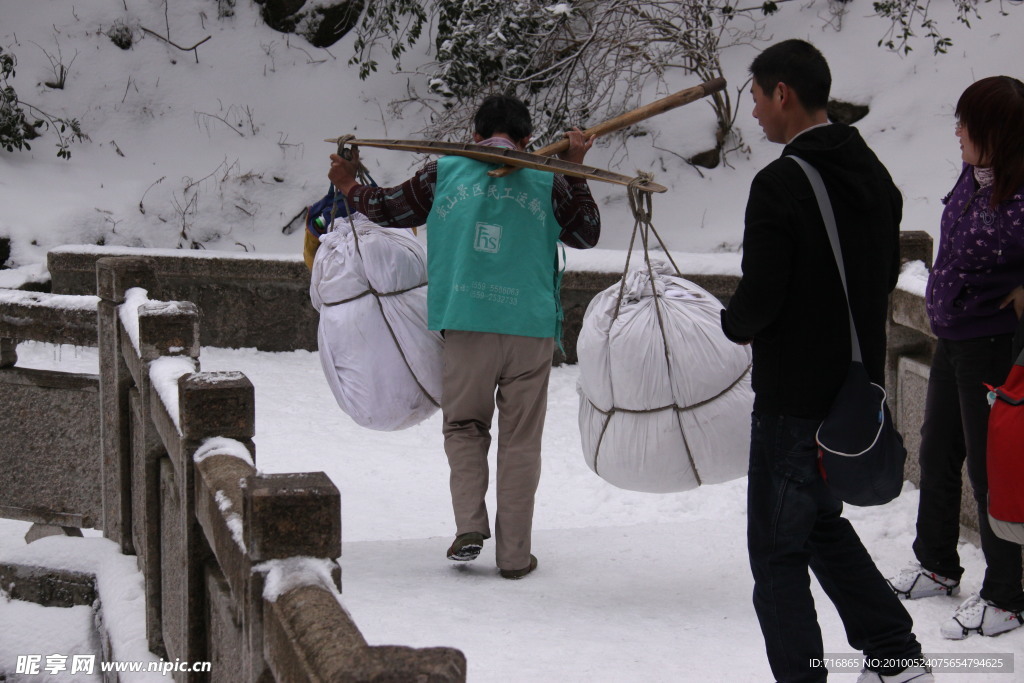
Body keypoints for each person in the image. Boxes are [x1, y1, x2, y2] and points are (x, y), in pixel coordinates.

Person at [720, 40, 930, 683]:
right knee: (816, 526)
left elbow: (760, 299)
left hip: (792, 401)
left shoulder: (780, 183)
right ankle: (895, 653)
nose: (753, 112)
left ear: (782, 92)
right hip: (852, 394)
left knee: (777, 554)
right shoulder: (874, 174)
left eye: (756, 96)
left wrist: (730, 323)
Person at [327, 95, 600, 579]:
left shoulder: (444, 172)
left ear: (475, 135)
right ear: (527, 139)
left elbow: (389, 209)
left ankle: (470, 527)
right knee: (520, 441)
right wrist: (575, 168)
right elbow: (585, 233)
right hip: (529, 329)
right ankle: (515, 556)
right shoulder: (547, 176)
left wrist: (349, 185)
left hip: (467, 320)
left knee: (465, 426)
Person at [885, 76, 1024, 639]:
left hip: (993, 346)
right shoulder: (975, 176)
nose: (958, 132)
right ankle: (937, 563)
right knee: (937, 448)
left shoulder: (1020, 198)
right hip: (953, 336)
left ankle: (1007, 594)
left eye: (968, 123)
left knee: (992, 472)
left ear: (1000, 133)